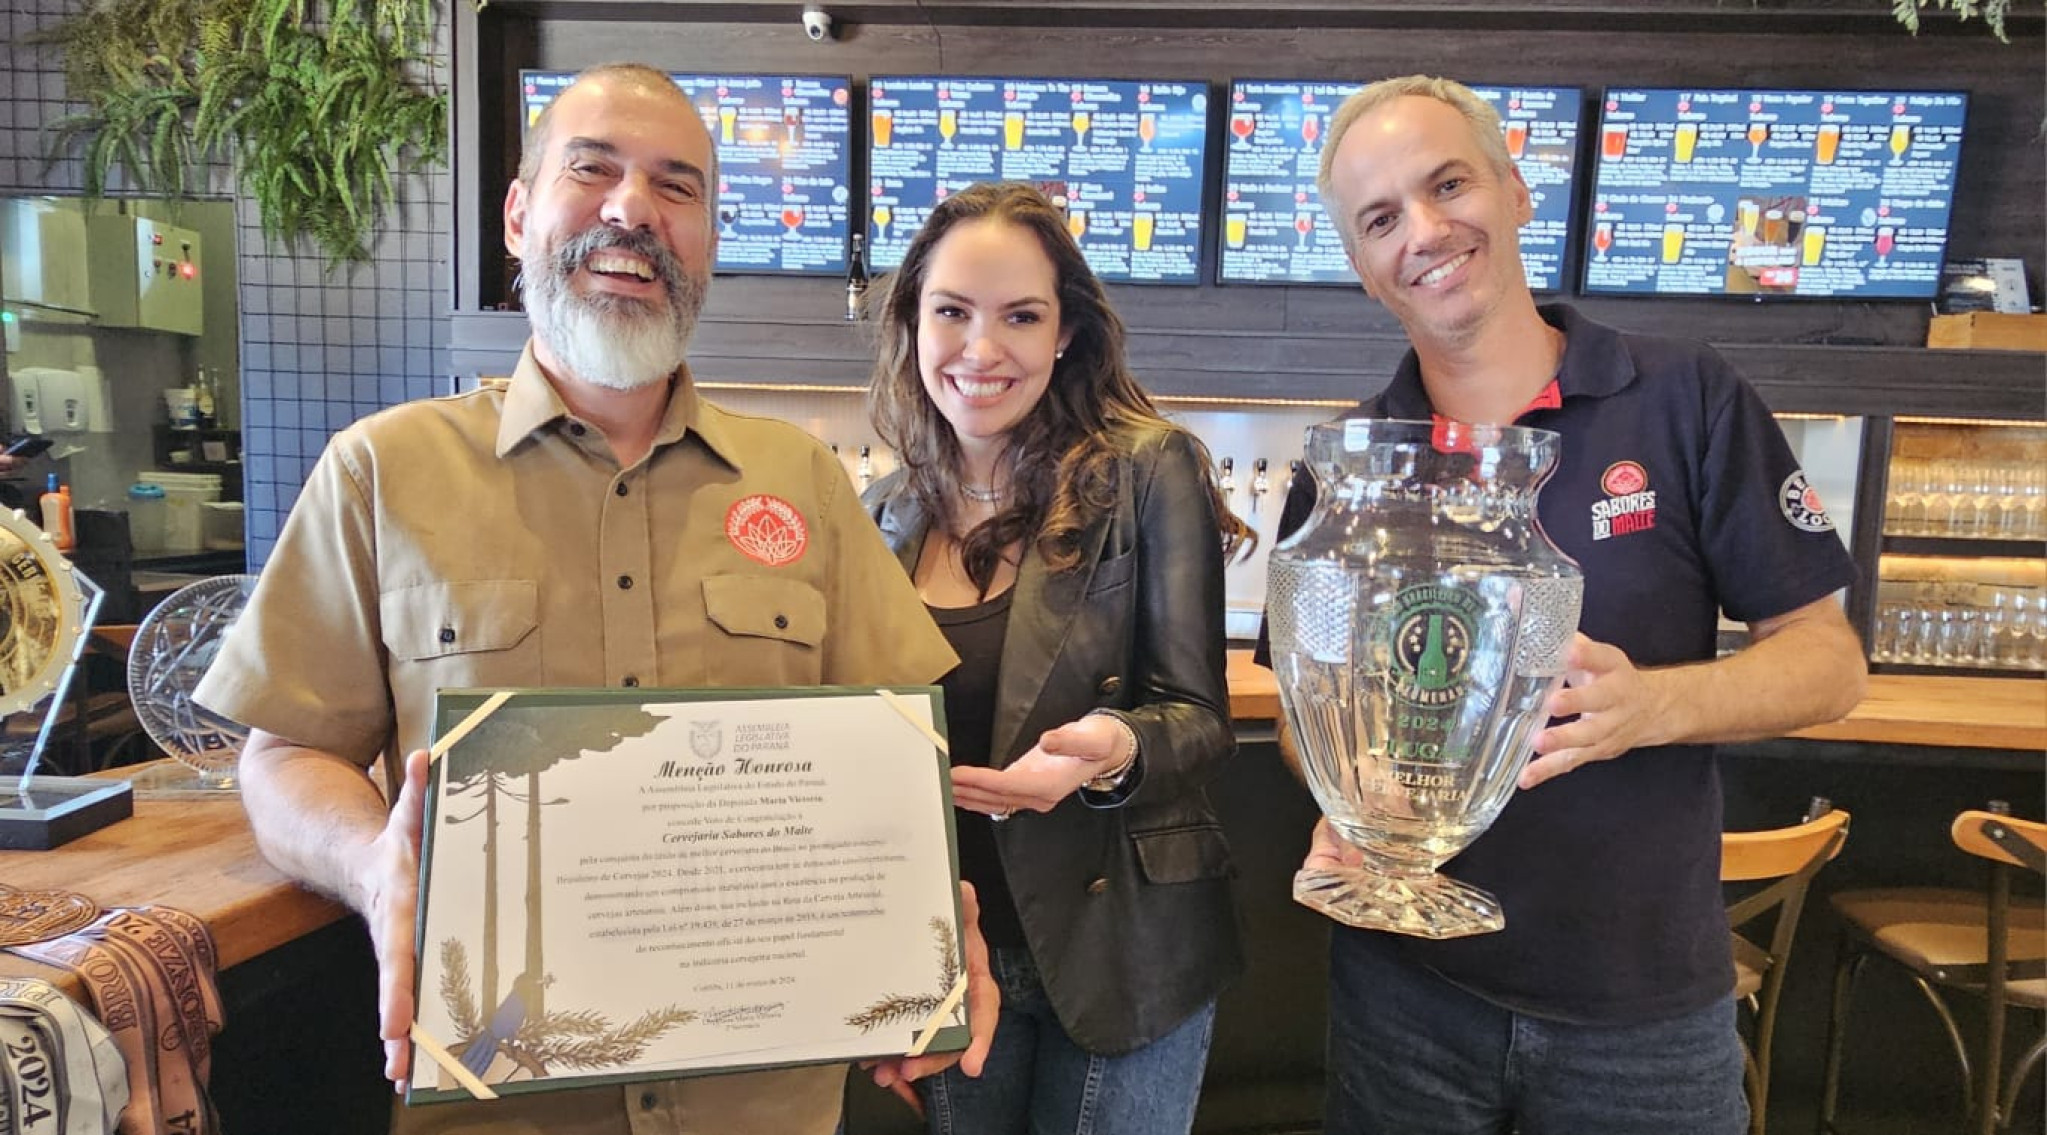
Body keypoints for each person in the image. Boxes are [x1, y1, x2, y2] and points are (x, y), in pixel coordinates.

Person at [193, 62, 993, 1135]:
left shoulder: (802, 481)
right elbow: (286, 753)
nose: (631, 208)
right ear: (520, 213)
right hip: (498, 1107)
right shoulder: (379, 471)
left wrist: (938, 914)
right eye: (593, 169)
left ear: (708, 241)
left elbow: (896, 765)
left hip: (761, 1102)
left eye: (677, 186)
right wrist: (375, 864)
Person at [1262, 76, 1868, 1135]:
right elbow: (1295, 704)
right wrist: (1343, 791)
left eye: (1448, 184)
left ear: (1515, 190)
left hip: (1641, 1002)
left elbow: (1828, 661)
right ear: (1363, 270)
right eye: (1380, 218)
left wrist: (1652, 706)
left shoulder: (1682, 399)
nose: (1425, 230)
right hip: (1406, 988)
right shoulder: (1352, 469)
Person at [863, 181, 1249, 1135]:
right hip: (956, 950)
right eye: (950, 311)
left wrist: (1109, 746)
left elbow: (1197, 715)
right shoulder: (883, 513)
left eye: (1020, 316)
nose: (981, 350)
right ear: (912, 320)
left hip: (1123, 943)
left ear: (1064, 332)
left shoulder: (1149, 468)